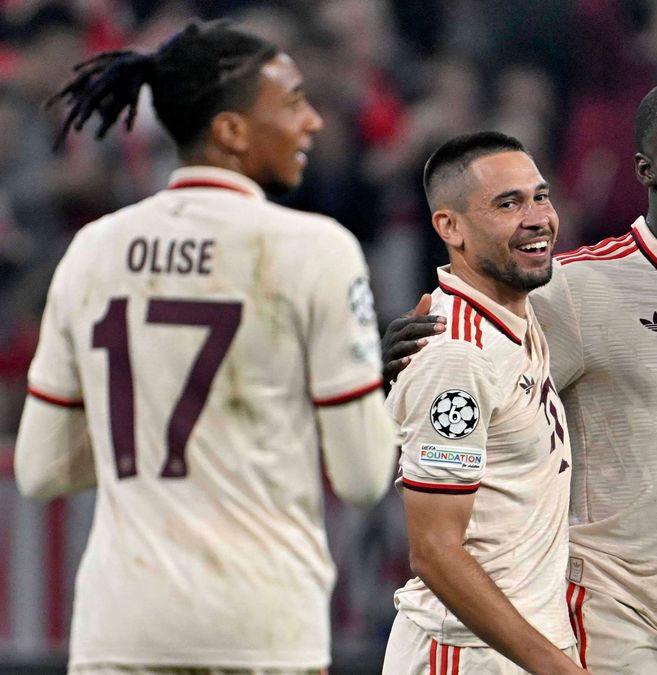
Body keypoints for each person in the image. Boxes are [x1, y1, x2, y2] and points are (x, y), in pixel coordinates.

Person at [14, 20, 395, 674]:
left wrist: (161, 449)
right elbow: (362, 477)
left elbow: (41, 468)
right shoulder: (316, 250)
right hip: (261, 625)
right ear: (231, 130)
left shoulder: (93, 249)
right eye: (294, 102)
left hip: (121, 627)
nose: (314, 123)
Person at [384, 77, 657, 673]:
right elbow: (435, 538)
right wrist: (381, 365)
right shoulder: (572, 291)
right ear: (645, 169)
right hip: (598, 619)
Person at [380, 131, 584, 675]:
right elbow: (436, 552)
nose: (538, 216)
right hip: (463, 656)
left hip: (516, 649)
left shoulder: (514, 313)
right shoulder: (458, 356)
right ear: (450, 228)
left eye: (540, 196)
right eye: (508, 203)